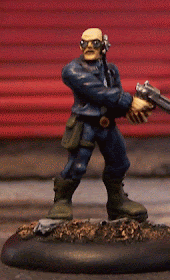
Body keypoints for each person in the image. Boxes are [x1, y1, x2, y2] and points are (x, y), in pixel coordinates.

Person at [47, 28, 153, 222]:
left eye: (94, 43)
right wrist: (129, 101)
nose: (89, 47)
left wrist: (131, 110)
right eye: (84, 43)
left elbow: (113, 99)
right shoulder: (72, 70)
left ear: (104, 45)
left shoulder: (110, 70)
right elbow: (98, 92)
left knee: (119, 161)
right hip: (84, 124)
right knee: (77, 165)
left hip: (107, 124)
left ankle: (117, 202)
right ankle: (62, 201)